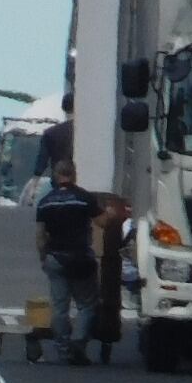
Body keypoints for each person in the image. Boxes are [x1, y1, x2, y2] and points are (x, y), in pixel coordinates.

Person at [34, 159, 118, 366]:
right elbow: (102, 222)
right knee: (87, 304)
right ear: (74, 174)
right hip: (80, 257)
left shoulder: (46, 202)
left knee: (59, 307)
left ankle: (63, 349)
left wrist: (44, 258)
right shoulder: (84, 198)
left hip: (56, 258)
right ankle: (78, 344)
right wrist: (111, 214)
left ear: (55, 176)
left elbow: (40, 236)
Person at [34, 92, 77, 178]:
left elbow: (41, 163)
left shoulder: (50, 133)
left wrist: (35, 178)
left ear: (63, 108)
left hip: (59, 184)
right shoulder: (87, 133)